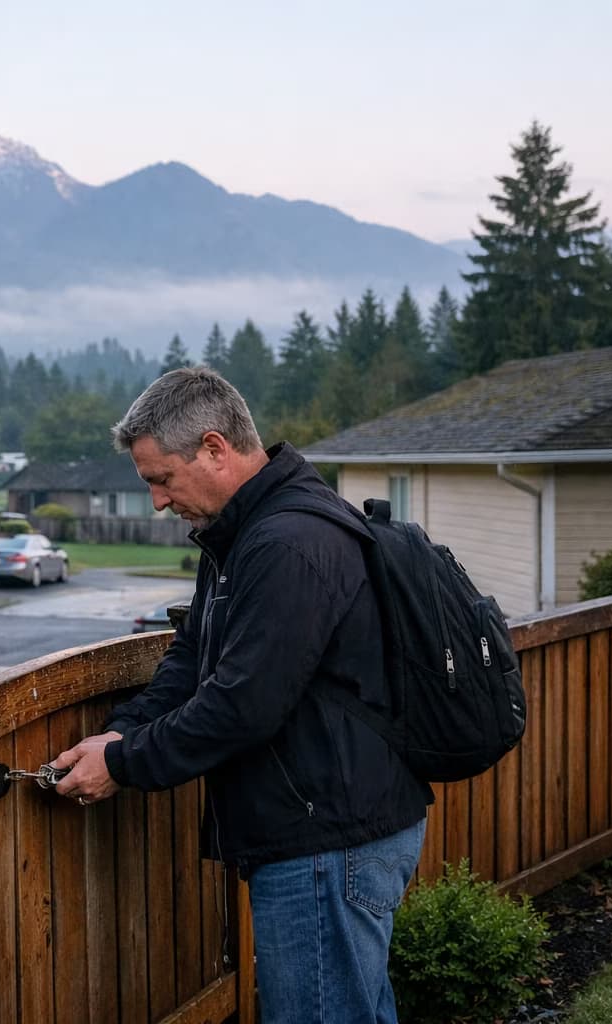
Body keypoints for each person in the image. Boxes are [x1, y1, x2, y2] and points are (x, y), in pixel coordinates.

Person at [52, 366, 431, 1024]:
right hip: (330, 831)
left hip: (326, 843)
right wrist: (125, 730)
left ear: (214, 448)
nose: (158, 503)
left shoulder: (290, 543)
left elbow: (243, 704)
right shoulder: (241, 537)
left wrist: (123, 764)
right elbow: (196, 654)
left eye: (161, 480)